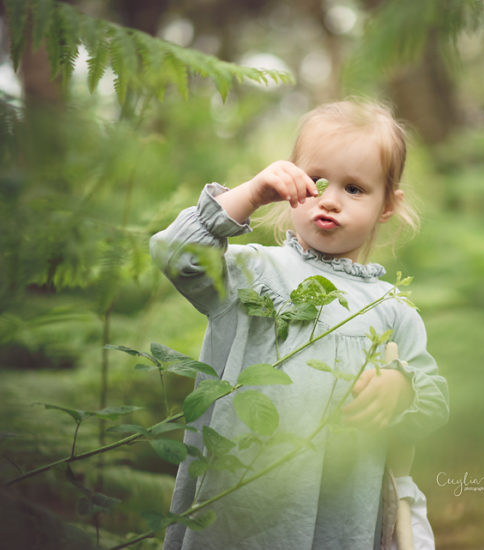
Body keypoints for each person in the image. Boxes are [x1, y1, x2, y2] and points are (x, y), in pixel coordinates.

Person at [150, 99, 449, 550]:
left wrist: (402, 389)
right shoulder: (251, 272)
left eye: (354, 188)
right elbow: (175, 253)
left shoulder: (392, 309)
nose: (329, 200)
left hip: (340, 521)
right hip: (241, 514)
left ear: (388, 205)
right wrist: (250, 194)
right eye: (318, 181)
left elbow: (435, 400)